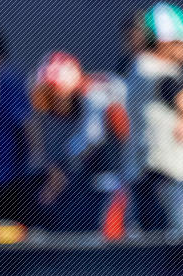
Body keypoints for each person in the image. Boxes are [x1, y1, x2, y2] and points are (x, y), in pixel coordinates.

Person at [125, 3, 183, 237]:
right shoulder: (161, 74)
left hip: (144, 176)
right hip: (163, 179)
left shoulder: (140, 68)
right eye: (182, 40)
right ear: (164, 42)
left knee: (147, 247)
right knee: (180, 245)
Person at [29, 52, 131, 234]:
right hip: (120, 171)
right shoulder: (94, 87)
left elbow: (92, 139)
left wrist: (60, 169)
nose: (52, 104)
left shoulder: (93, 94)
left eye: (53, 95)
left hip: (120, 176)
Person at [0, 32, 34, 224]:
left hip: (6, 173)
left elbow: (27, 120)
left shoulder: (6, 79)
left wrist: (35, 157)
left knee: (4, 227)